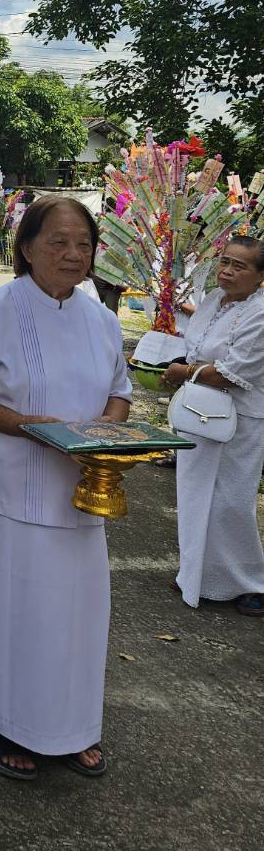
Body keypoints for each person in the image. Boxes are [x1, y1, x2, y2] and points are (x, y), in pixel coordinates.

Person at [0, 196, 132, 781]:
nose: (73, 255)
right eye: (58, 243)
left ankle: (73, 726)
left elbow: (120, 389)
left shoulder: (98, 317)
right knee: (12, 612)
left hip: (80, 492)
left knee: (78, 615)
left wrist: (105, 433)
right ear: (26, 249)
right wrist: (36, 430)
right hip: (8, 494)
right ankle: (7, 722)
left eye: (84, 245)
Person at [162, 235, 264, 616]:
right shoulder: (212, 301)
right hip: (199, 411)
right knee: (193, 495)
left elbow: (233, 372)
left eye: (240, 266)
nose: (227, 270)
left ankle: (252, 581)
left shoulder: (260, 312)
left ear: (260, 277)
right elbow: (195, 349)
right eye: (225, 261)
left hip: (240, 420)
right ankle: (197, 574)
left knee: (230, 502)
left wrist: (184, 372)